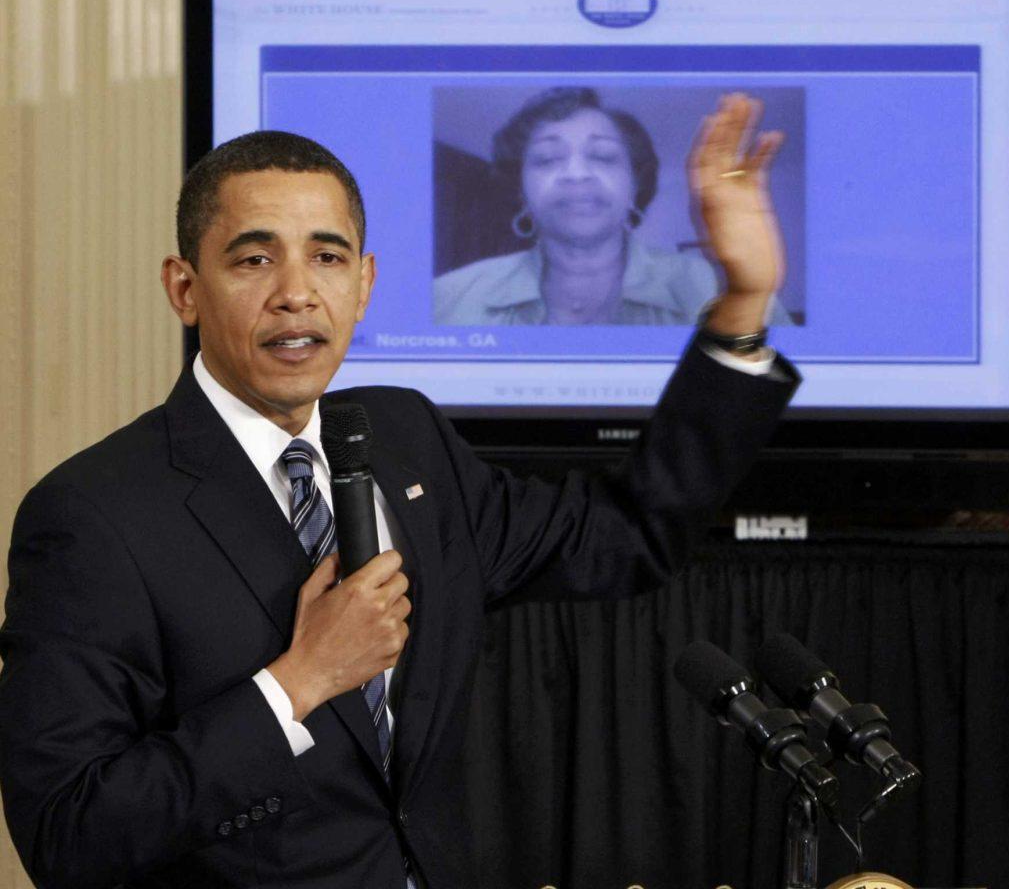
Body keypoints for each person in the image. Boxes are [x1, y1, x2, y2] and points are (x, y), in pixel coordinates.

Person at [0, 94, 796, 889]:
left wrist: (741, 302)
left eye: (327, 256)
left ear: (365, 281)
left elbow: (627, 536)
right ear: (184, 287)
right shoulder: (94, 516)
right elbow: (70, 833)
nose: (296, 292)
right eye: (253, 259)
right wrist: (299, 681)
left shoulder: (404, 437)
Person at [433, 86, 793, 326]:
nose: (576, 174)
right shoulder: (448, 297)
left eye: (603, 156)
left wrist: (748, 296)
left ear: (635, 184)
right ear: (521, 189)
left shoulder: (712, 290)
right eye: (547, 159)